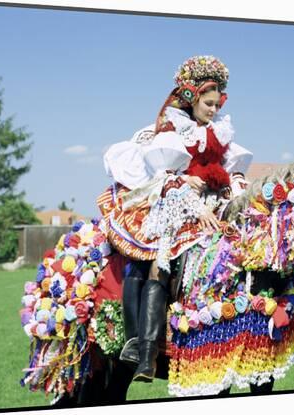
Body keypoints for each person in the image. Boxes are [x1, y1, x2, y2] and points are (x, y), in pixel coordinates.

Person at [98, 55, 253, 382]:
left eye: (217, 104)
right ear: (192, 98)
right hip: (174, 203)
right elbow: (165, 175)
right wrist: (189, 191)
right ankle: (144, 350)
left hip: (213, 203)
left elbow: (231, 171)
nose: (213, 110)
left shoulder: (220, 132)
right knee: (156, 263)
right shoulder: (171, 129)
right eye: (208, 103)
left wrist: (235, 192)